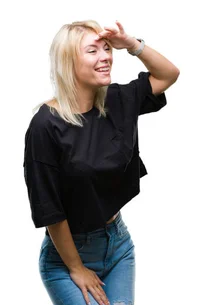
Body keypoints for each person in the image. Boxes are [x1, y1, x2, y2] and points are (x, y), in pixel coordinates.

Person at [23, 20, 179, 305]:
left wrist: (132, 44)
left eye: (106, 49)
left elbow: (169, 74)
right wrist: (76, 267)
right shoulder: (45, 124)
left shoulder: (118, 100)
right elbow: (49, 207)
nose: (106, 56)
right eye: (92, 51)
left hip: (117, 244)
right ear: (69, 61)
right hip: (68, 255)